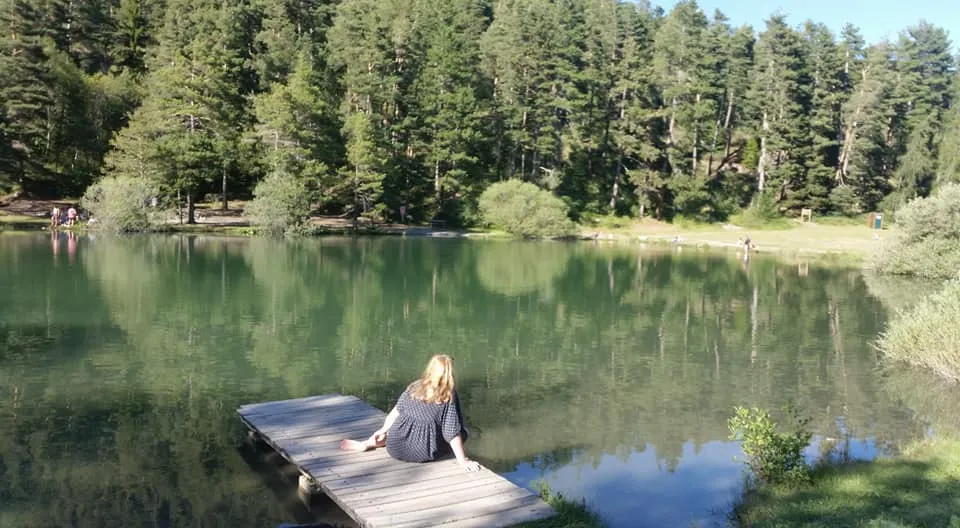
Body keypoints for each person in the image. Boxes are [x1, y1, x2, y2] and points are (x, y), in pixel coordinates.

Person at [339, 354, 481, 472]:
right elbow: (451, 433)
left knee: (404, 427)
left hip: (395, 446)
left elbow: (394, 414)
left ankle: (370, 443)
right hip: (422, 453)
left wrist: (382, 430)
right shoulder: (448, 395)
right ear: (449, 373)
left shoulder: (415, 386)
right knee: (462, 432)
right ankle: (378, 442)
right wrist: (462, 461)